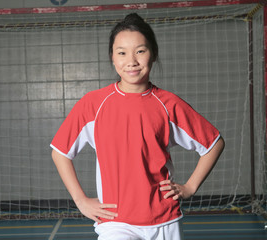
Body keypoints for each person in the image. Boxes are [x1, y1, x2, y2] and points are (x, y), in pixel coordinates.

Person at [50, 13, 225, 240]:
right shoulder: (93, 104)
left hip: (164, 219)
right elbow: (60, 152)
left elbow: (213, 143)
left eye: (140, 51)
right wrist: (81, 200)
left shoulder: (168, 104)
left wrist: (190, 187)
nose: (131, 61)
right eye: (122, 53)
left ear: (153, 55)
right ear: (112, 57)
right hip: (115, 221)